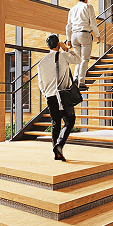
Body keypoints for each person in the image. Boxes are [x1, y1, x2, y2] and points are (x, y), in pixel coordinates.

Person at [37, 34, 80, 162]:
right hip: (63, 96)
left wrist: (46, 94)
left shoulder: (42, 62)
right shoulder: (63, 55)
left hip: (50, 97)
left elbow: (40, 84)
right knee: (69, 121)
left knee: (56, 124)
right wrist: (66, 48)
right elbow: (78, 59)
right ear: (58, 44)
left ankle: (57, 152)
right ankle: (59, 145)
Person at [66, 0, 99, 91]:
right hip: (84, 34)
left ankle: (75, 78)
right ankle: (81, 81)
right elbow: (92, 21)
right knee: (84, 59)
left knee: (77, 59)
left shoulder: (72, 10)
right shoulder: (88, 7)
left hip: (74, 36)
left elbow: (68, 26)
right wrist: (98, 35)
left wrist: (68, 39)